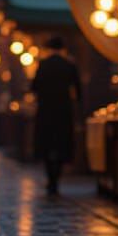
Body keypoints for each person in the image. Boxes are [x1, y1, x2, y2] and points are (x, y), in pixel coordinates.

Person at [29, 36, 83, 196]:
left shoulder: (43, 65)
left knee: (46, 144)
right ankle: (56, 179)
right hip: (63, 111)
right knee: (61, 144)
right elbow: (78, 91)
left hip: (45, 110)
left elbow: (34, 87)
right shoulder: (69, 65)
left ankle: (50, 179)